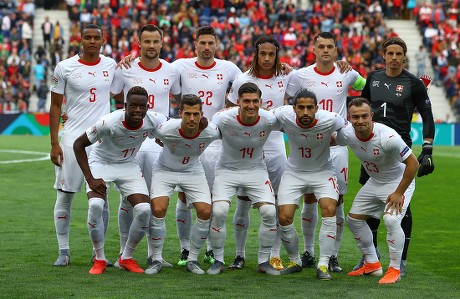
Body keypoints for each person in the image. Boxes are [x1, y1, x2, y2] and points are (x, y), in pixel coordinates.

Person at [284, 31, 366, 272]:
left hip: (337, 145)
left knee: (336, 202)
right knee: (309, 197)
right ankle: (308, 252)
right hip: (309, 145)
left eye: (330, 46)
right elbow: (286, 100)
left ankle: (332, 255)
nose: (326, 50)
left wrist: (354, 70)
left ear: (336, 50)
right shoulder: (301, 75)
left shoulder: (347, 72)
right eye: (321, 46)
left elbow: (365, 87)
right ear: (314, 49)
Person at [356, 37, 435, 276]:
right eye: (389, 53)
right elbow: (360, 106)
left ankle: (401, 258)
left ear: (404, 56)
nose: (393, 57)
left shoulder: (414, 83)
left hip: (399, 151)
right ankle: (370, 257)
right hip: (371, 149)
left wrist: (428, 148)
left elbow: (427, 115)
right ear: (383, 55)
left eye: (398, 53)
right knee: (370, 208)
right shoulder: (373, 77)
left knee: (402, 206)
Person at [73, 86, 168, 274]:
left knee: (143, 210)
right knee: (96, 206)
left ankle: (126, 257)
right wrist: (90, 178)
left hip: (128, 165)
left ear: (147, 107)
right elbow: (78, 144)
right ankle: (99, 259)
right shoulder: (108, 122)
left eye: (142, 106)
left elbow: (174, 127)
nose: (138, 110)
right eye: (133, 106)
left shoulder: (154, 120)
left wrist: (164, 137)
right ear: (125, 106)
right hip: (101, 163)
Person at [111, 24, 181, 270]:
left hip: (158, 143)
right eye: (147, 41)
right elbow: (110, 95)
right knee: (127, 199)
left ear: (162, 43)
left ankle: (155, 255)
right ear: (139, 43)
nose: (151, 45)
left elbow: (179, 98)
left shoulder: (172, 71)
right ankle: (123, 253)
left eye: (156, 41)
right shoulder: (125, 68)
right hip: (130, 143)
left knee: (155, 199)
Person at [171, 25, 242, 266]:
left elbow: (251, 83)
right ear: (196, 44)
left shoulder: (229, 68)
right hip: (187, 141)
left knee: (212, 198)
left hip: (215, 143)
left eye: (211, 43)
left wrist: (283, 68)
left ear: (217, 45)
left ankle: (211, 248)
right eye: (202, 43)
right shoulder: (180, 66)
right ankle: (184, 249)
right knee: (183, 196)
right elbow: (154, 70)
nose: (207, 47)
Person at [49, 24, 116, 267]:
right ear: (80, 40)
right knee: (65, 195)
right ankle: (63, 251)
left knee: (101, 198)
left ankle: (99, 253)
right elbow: (56, 106)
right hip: (71, 140)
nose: (91, 41)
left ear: (103, 40)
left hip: (100, 142)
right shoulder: (65, 67)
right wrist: (54, 143)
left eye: (96, 37)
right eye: (87, 37)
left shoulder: (111, 65)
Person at [335, 97, 419, 284]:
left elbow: (413, 164)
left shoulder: (388, 138)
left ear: (371, 116)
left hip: (398, 182)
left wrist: (398, 193)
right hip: (375, 181)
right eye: (355, 117)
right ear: (349, 118)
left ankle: (395, 269)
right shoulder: (347, 133)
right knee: (354, 220)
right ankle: (372, 263)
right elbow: (332, 140)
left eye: (364, 116)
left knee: (390, 220)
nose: (360, 121)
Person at [225, 35, 290, 270]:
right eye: (262, 53)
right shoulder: (243, 79)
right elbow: (231, 109)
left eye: (271, 54)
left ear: (277, 55)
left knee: (276, 202)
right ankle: (239, 255)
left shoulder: (286, 76)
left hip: (275, 145)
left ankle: (274, 254)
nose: (266, 58)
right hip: (248, 146)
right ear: (256, 53)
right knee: (242, 202)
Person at [207, 82, 280, 276]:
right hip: (227, 170)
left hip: (256, 170)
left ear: (261, 102)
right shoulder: (222, 118)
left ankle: (264, 261)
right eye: (246, 101)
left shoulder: (270, 119)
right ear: (237, 102)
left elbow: (295, 123)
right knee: (220, 211)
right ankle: (218, 260)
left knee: (270, 212)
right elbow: (205, 134)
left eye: (255, 101)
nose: (251, 105)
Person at [274, 89, 346, 280]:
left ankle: (323, 264)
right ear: (294, 108)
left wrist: (336, 139)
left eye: (309, 108)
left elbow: (349, 130)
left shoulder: (331, 119)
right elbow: (263, 118)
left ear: (317, 108)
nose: (305, 112)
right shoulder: (283, 114)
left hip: (323, 172)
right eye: (301, 108)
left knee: (330, 209)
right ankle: (295, 260)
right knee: (284, 217)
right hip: (294, 172)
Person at [147, 94, 220, 275]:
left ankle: (192, 259)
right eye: (187, 114)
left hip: (193, 170)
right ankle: (156, 259)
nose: (192, 118)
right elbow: (144, 129)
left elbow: (234, 133)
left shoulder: (211, 131)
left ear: (202, 114)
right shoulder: (165, 129)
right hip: (165, 170)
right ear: (180, 113)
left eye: (196, 114)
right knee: (158, 208)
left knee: (205, 211)